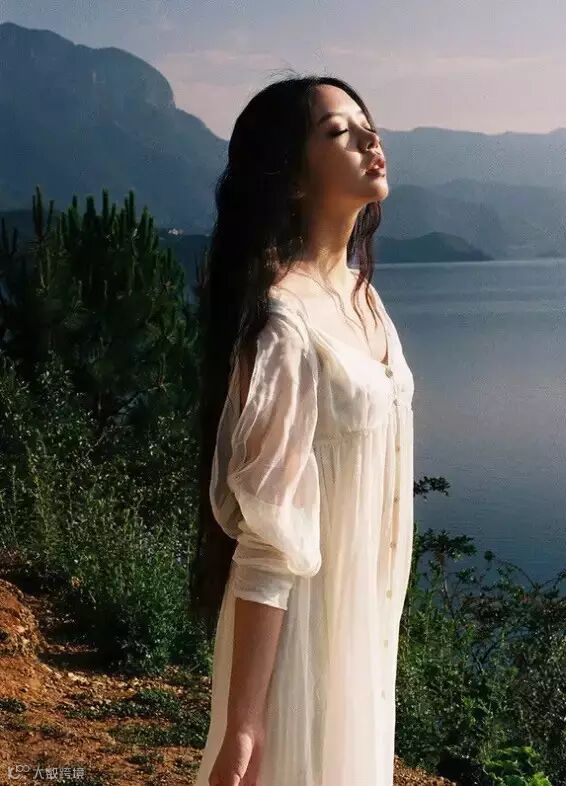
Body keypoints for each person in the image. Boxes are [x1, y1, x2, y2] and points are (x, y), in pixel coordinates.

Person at [190, 73, 415, 786]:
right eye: (338, 132)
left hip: (359, 638)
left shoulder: (363, 298)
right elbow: (268, 542)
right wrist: (245, 723)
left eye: (366, 123)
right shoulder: (285, 321)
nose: (370, 138)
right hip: (300, 652)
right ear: (290, 177)